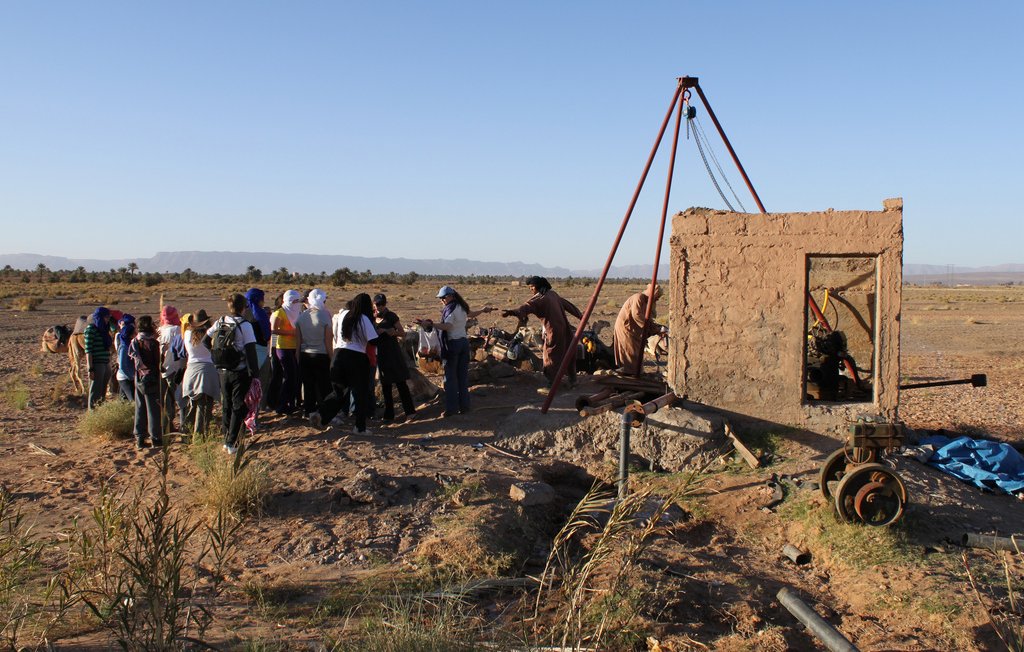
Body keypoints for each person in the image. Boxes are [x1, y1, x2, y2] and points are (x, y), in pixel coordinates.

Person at [310, 293, 378, 434]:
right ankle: (359, 427)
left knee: (338, 392)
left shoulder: (342, 314)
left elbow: (335, 333)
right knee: (360, 393)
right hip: (356, 357)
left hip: (338, 355)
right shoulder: (363, 318)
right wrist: (385, 333)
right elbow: (373, 340)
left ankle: (321, 414)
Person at [502, 276, 582, 393]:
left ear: (538, 286)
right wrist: (580, 315)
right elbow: (568, 305)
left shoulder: (539, 299)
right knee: (568, 353)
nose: (531, 289)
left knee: (550, 356)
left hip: (553, 332)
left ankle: (552, 385)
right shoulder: (553, 294)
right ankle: (573, 380)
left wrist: (511, 312)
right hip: (565, 329)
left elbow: (526, 307)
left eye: (532, 286)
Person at [424, 285, 492, 416]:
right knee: (462, 377)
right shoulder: (461, 306)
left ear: (451, 296)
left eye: (443, 297)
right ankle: (465, 406)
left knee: (450, 378)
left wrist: (431, 325)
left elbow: (448, 326)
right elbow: (471, 314)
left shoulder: (451, 309)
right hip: (463, 343)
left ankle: (452, 409)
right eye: (440, 298)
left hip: (453, 345)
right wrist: (483, 310)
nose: (442, 300)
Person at [206, 293, 259, 454]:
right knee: (238, 406)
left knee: (226, 405)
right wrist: (255, 375)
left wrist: (217, 354)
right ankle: (232, 442)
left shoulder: (221, 321)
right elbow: (251, 351)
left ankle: (226, 439)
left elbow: (205, 340)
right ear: (244, 307)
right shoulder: (245, 325)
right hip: (239, 371)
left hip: (222, 370)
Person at [373, 293, 417, 423]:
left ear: (385, 304)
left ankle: (410, 412)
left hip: (393, 353)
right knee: (385, 385)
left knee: (400, 382)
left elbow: (402, 333)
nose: (379, 307)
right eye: (377, 304)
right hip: (381, 354)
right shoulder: (372, 317)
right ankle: (389, 415)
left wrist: (390, 332)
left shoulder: (391, 316)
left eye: (381, 304)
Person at [613, 284, 666, 376]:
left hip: (633, 330)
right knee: (630, 352)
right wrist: (650, 327)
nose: (657, 300)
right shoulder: (639, 297)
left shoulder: (644, 301)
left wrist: (653, 327)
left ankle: (635, 373)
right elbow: (636, 315)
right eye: (657, 297)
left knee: (636, 353)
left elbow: (645, 318)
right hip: (627, 330)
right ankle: (630, 374)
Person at [295, 288, 332, 419]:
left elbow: (298, 342)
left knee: (308, 385)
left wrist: (298, 358)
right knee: (324, 386)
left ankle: (309, 411)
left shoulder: (301, 317)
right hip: (321, 355)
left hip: (305, 355)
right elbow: (328, 341)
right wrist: (331, 358)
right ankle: (325, 413)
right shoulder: (325, 316)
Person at [181, 310, 219, 435]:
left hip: (191, 370)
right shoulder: (210, 334)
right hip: (207, 370)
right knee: (205, 404)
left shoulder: (187, 334)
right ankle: (200, 432)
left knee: (192, 403)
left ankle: (187, 430)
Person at [128, 315, 162, 448]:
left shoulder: (135, 341)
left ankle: (139, 438)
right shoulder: (152, 343)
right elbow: (157, 362)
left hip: (138, 376)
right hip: (151, 377)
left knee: (140, 406)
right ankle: (155, 437)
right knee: (153, 409)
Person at [269, 290, 302, 414]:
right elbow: (274, 330)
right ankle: (281, 404)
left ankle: (291, 403)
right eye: (293, 301)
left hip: (294, 347)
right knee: (289, 376)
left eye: (297, 300)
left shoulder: (297, 312)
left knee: (295, 376)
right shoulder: (279, 313)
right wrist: (291, 333)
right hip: (283, 347)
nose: (295, 303)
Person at [158, 305, 187, 431]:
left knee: (166, 400)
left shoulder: (159, 330)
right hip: (175, 368)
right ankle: (182, 426)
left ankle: (167, 426)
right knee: (179, 399)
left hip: (162, 369)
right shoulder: (176, 330)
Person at [243, 288, 272, 409]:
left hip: (245, 352)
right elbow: (267, 335)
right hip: (260, 351)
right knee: (261, 382)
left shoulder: (243, 314)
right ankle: (257, 410)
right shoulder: (260, 314)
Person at [83, 306, 114, 410]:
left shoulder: (104, 330)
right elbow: (88, 350)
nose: (108, 319)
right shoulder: (91, 329)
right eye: (106, 317)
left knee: (103, 392)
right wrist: (90, 368)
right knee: (95, 391)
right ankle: (92, 413)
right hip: (97, 364)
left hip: (106, 363)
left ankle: (100, 412)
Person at [113, 313, 136, 401]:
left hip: (126, 375)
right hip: (125, 376)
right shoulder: (124, 347)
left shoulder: (128, 344)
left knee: (124, 400)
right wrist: (131, 376)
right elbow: (122, 365)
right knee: (133, 400)